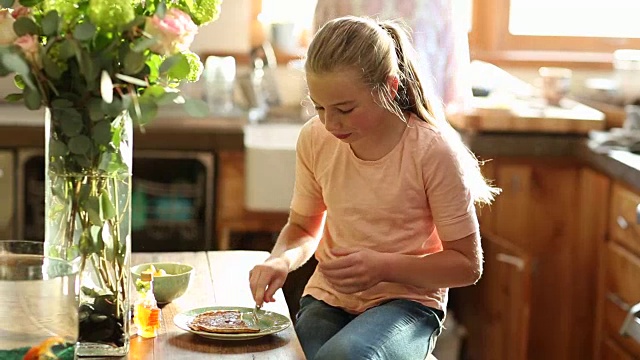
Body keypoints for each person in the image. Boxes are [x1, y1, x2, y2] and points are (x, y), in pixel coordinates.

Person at [248, 16, 500, 360]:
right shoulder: (315, 138)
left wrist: (383, 267)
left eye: (345, 109)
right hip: (328, 298)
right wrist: (280, 260)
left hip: (408, 305)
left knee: (346, 356)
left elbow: (467, 265)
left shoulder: (433, 151)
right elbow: (305, 227)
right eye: (320, 107)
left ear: (390, 87)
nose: (330, 123)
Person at [312, 0, 472, 116]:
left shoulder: (443, 4)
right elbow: (321, 62)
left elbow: (454, 74)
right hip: (350, 125)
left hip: (424, 114)